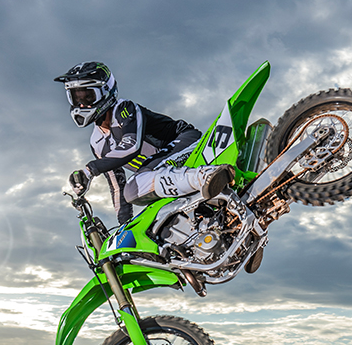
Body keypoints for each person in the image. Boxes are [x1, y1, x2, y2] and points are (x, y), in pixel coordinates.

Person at [54, 61, 235, 224]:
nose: (82, 104)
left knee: (136, 186)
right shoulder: (97, 143)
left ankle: (205, 176)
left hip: (186, 141)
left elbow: (131, 146)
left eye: (88, 97)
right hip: (163, 170)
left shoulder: (124, 109)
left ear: (105, 92)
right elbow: (117, 188)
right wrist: (124, 226)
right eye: (76, 98)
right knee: (144, 204)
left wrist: (89, 170)